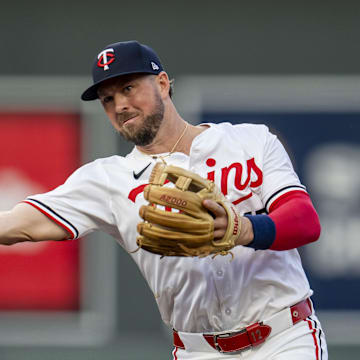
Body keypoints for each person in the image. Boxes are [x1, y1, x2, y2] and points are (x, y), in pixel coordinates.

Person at [0, 40, 328, 359]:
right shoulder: (106, 180)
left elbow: (305, 221)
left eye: (128, 88)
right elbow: (21, 224)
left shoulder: (250, 140)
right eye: (107, 99)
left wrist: (243, 229)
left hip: (285, 338)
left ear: (162, 83)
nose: (119, 105)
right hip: (198, 350)